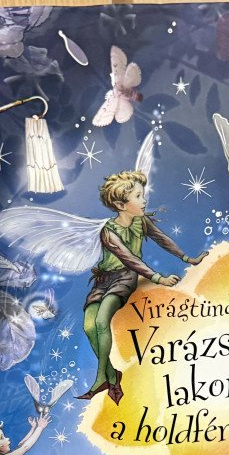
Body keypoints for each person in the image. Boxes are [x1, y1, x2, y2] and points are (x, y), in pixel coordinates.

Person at [77, 170, 207, 404]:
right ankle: (112, 375)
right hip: (103, 280)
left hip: (126, 278)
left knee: (101, 321)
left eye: (142, 195)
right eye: (138, 196)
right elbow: (126, 256)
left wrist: (187, 259)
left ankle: (101, 378)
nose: (144, 200)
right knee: (88, 326)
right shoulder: (108, 231)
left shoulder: (141, 221)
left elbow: (160, 242)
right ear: (120, 205)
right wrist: (158, 277)